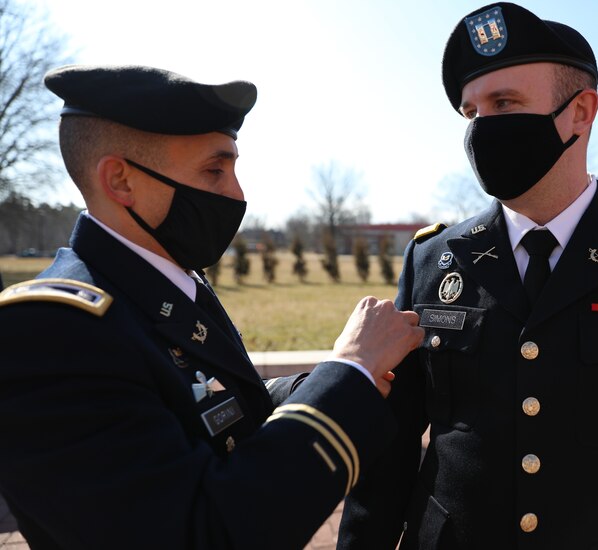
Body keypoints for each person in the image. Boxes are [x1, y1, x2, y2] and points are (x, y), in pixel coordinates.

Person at [338, 3, 598, 549]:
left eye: (505, 103)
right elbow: (388, 454)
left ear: (581, 112)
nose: (481, 128)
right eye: (471, 112)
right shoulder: (433, 258)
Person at [0, 64, 423, 549]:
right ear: (120, 180)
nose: (236, 194)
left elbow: (217, 411)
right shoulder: (49, 333)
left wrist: (321, 382)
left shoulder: (166, 284)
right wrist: (351, 373)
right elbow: (203, 531)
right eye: (213, 170)